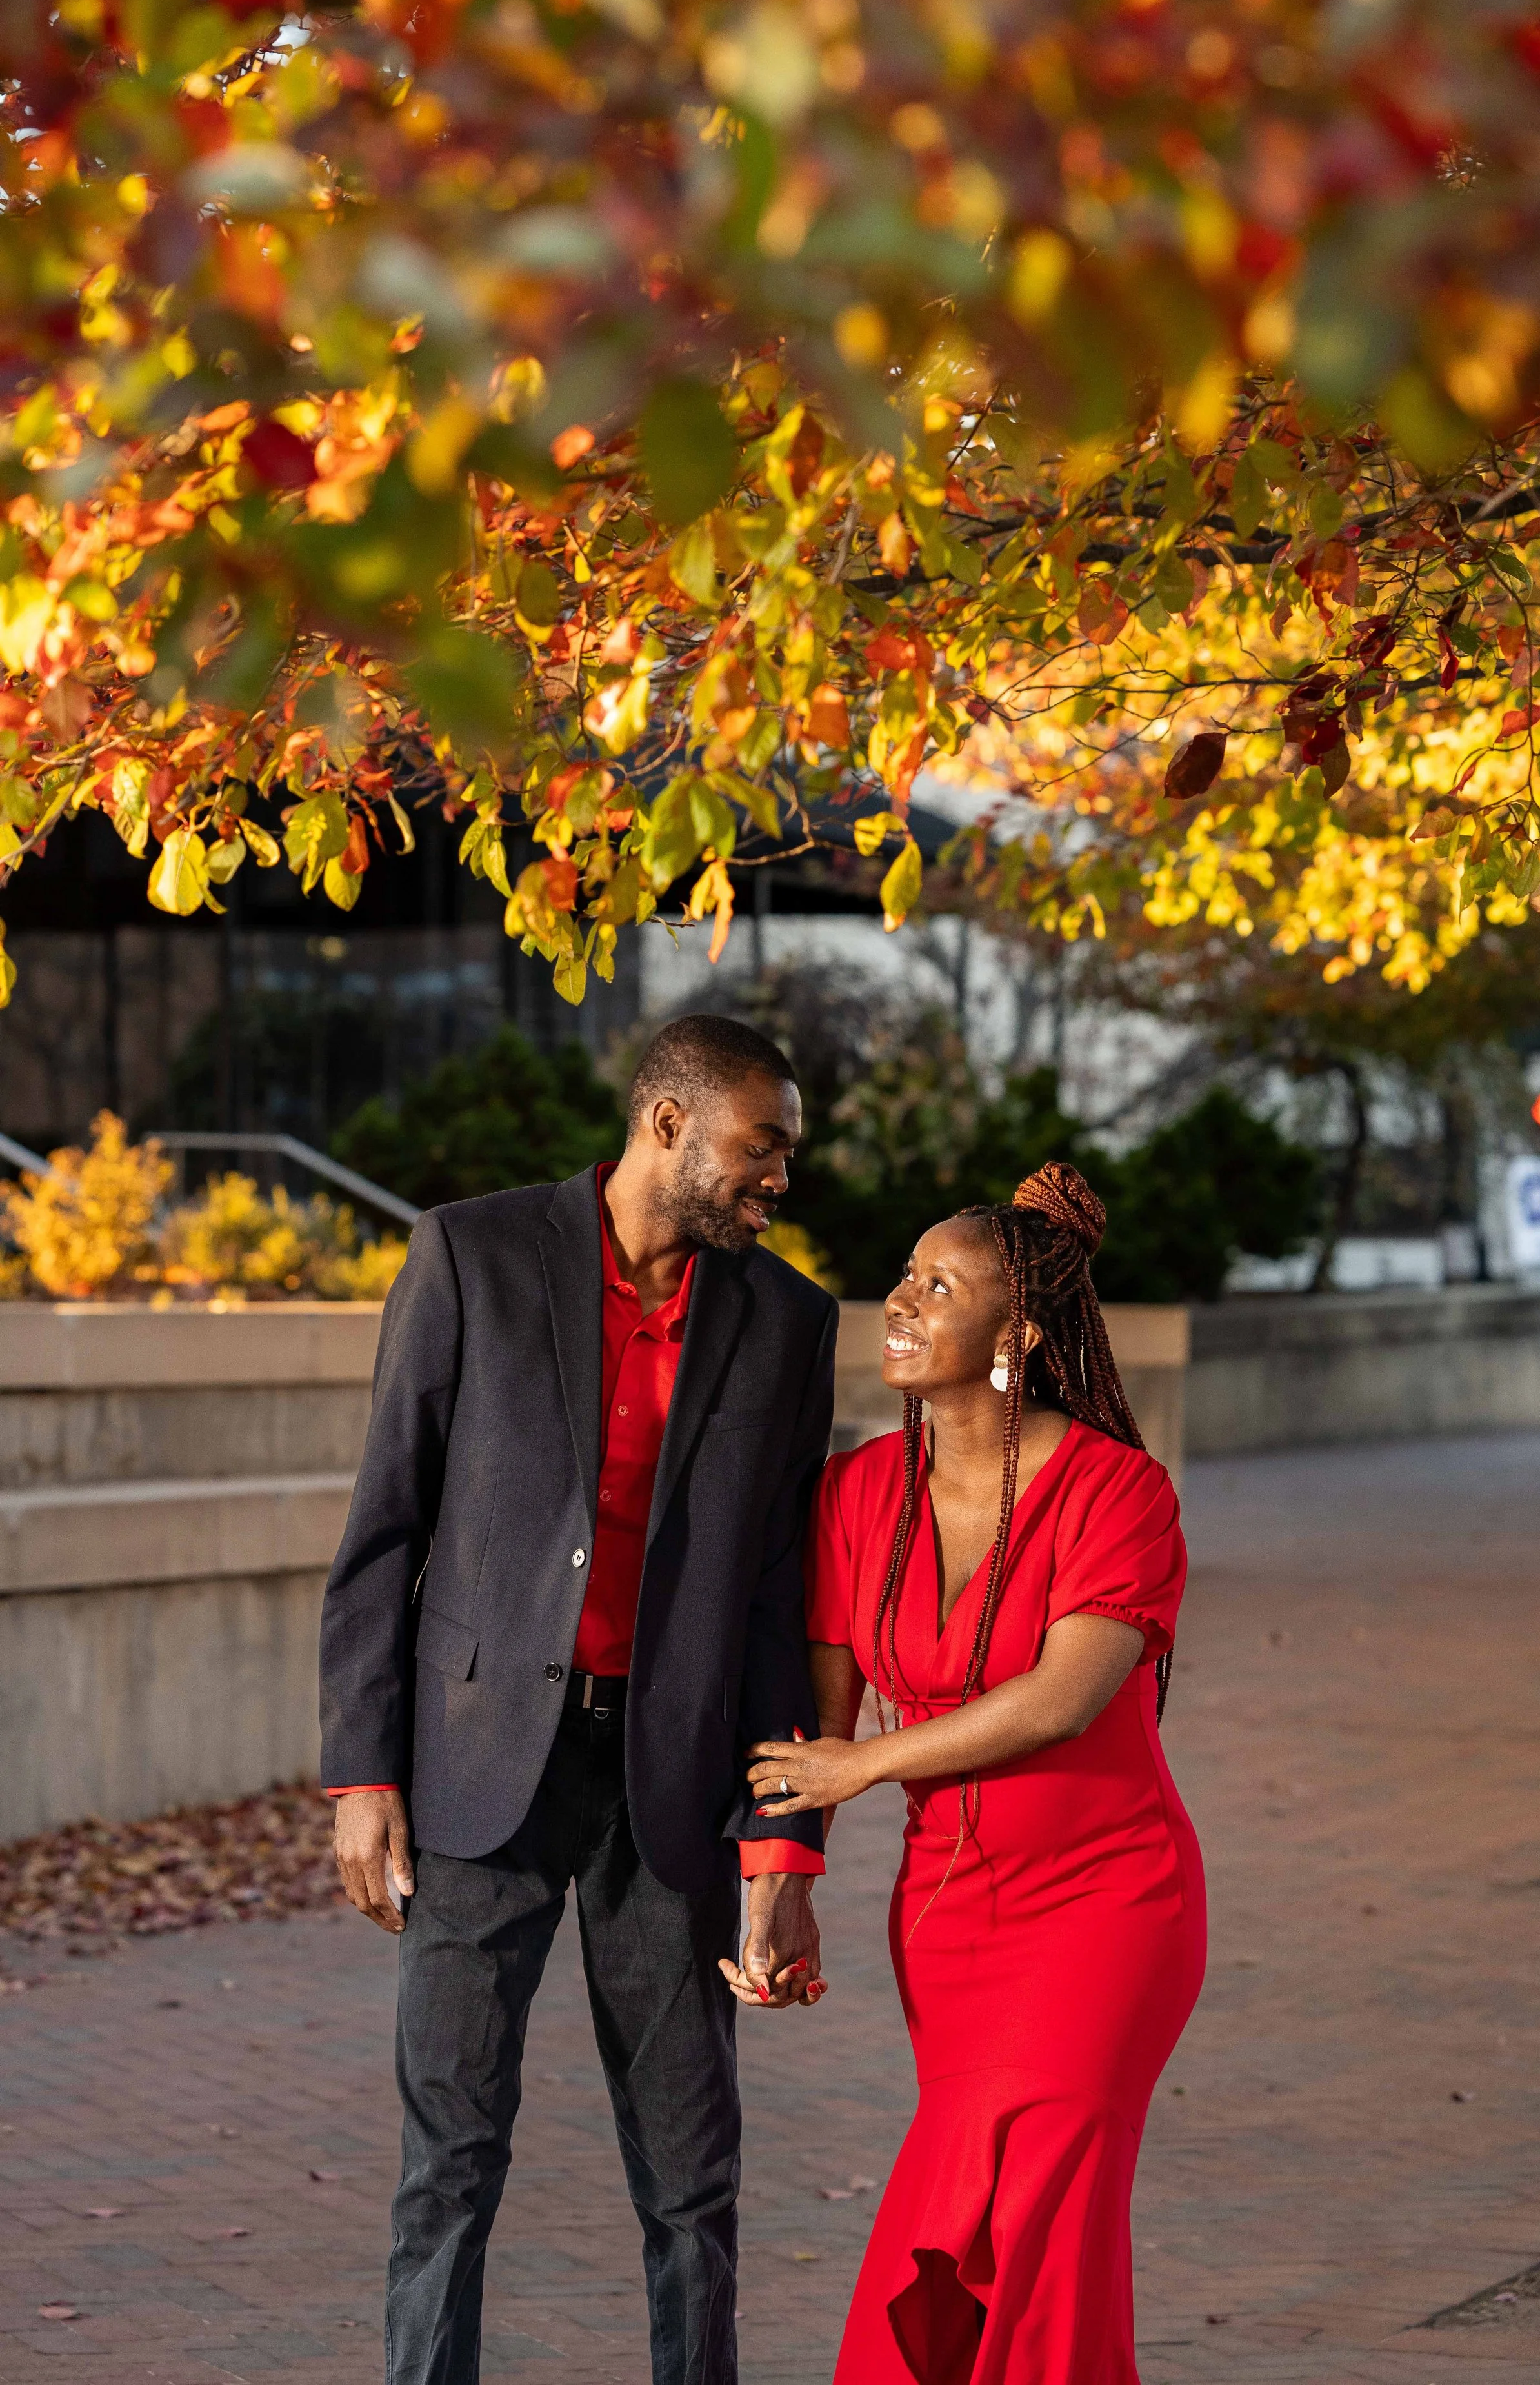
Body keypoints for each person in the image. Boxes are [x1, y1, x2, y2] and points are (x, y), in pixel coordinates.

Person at [319, 1014, 837, 2385]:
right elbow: (386, 1532)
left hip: (664, 1793)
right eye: (759, 1145)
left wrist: (781, 1842)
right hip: (478, 1771)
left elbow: (780, 1602)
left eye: (785, 1151)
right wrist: (362, 1774)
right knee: (452, 2155)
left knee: (691, 2177)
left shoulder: (787, 1323)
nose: (778, 1177)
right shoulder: (471, 1258)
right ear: (667, 1126)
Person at [736, 1161, 1206, 2385]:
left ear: (1020, 1332)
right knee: (985, 2220)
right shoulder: (853, 1496)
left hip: (1109, 1905)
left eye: (938, 1284)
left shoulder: (1119, 1490)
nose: (900, 1299)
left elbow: (1062, 1697)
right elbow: (813, 1722)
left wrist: (863, 1767)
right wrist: (779, 1880)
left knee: (1047, 2214)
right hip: (951, 1923)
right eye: (904, 1273)